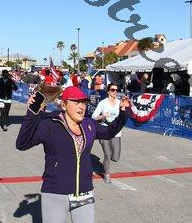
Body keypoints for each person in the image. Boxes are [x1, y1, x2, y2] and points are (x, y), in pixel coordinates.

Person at [16, 86, 130, 223]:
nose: (81, 106)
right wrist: (32, 114)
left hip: (84, 193)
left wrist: (123, 112)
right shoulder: (49, 124)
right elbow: (22, 144)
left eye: (83, 102)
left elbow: (110, 132)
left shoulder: (89, 124)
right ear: (64, 105)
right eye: (76, 102)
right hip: (55, 193)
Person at [91, 83, 123, 183]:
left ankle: (106, 168)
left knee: (115, 157)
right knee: (107, 155)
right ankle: (107, 175)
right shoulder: (103, 103)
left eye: (117, 90)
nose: (115, 92)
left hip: (116, 132)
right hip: (104, 131)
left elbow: (123, 115)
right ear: (108, 91)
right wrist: (102, 116)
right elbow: (93, 116)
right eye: (113, 90)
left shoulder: (119, 102)